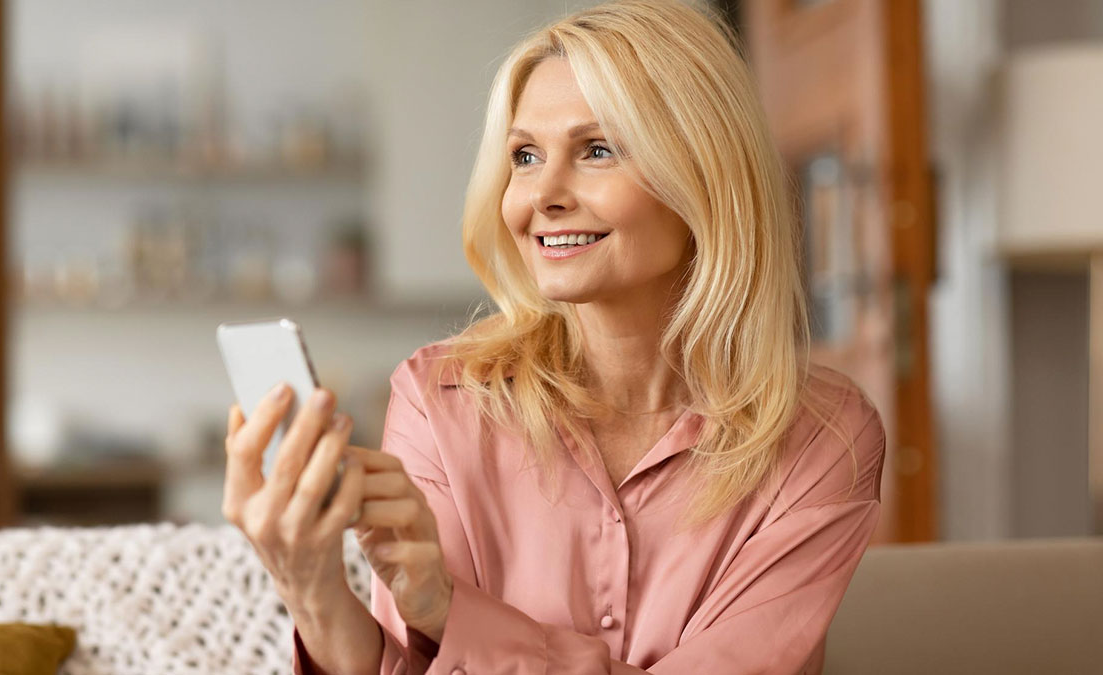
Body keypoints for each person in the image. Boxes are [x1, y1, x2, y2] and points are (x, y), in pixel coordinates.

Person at [222, 0, 887, 673]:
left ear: (704, 178)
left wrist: (453, 612)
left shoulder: (823, 436)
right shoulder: (440, 400)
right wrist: (315, 595)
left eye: (596, 149)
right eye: (525, 155)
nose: (542, 194)